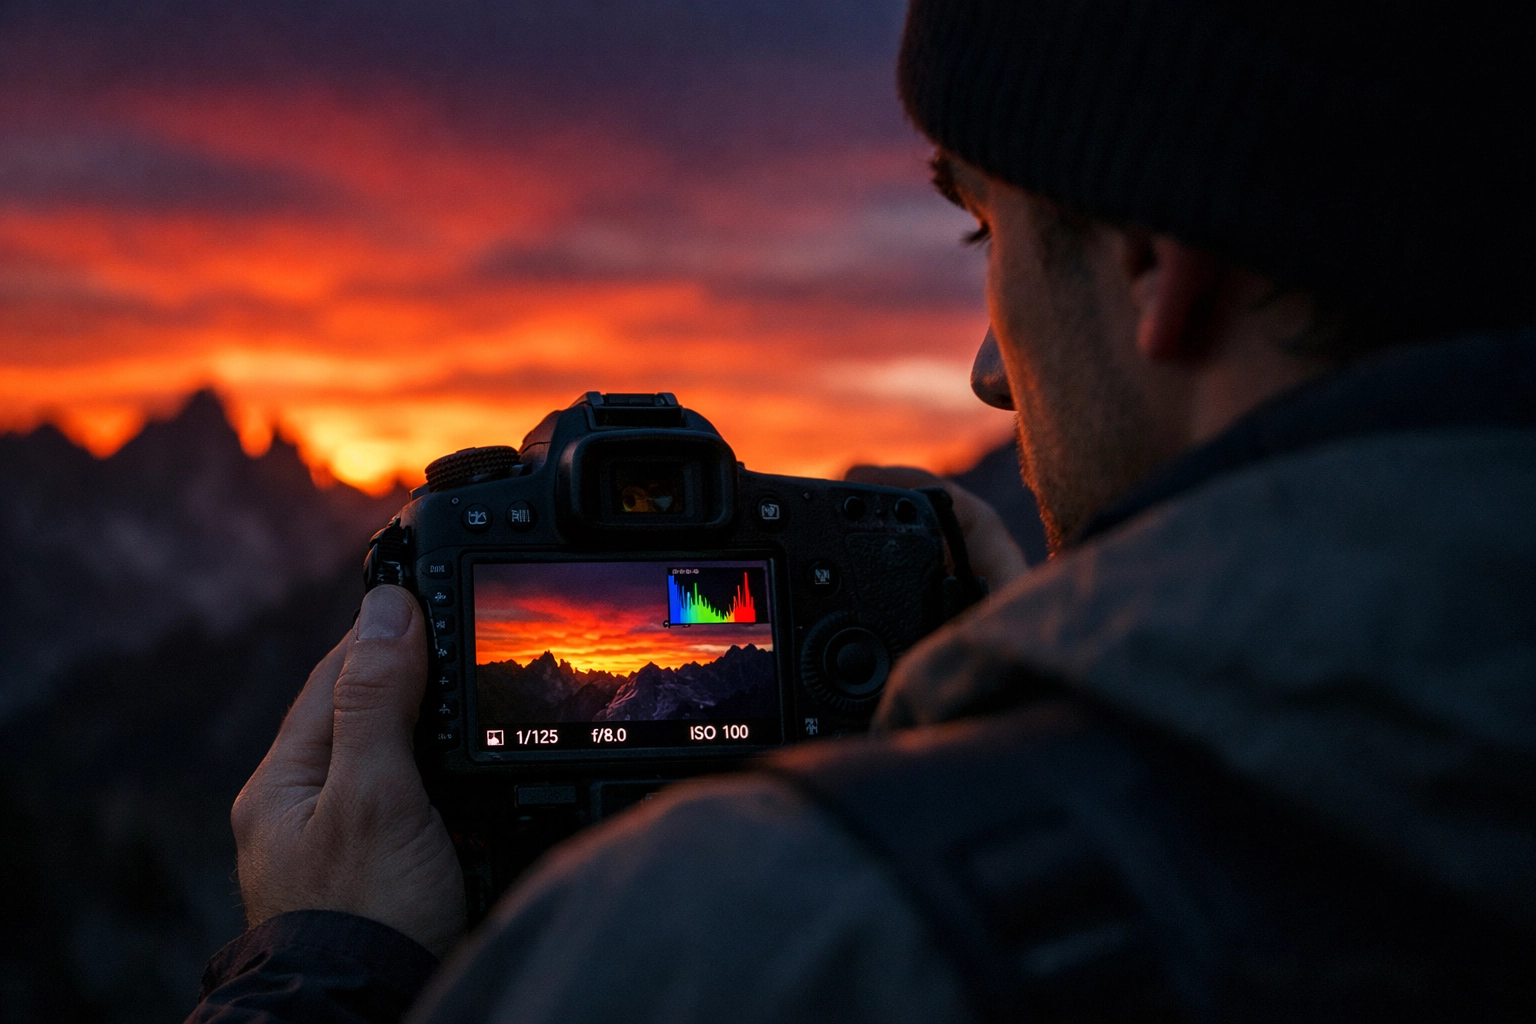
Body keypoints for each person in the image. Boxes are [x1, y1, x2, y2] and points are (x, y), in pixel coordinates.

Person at [189, 1, 1536, 1021]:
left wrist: (321, 970)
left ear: (1145, 261)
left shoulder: (777, 937)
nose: (990, 371)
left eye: (986, 234)